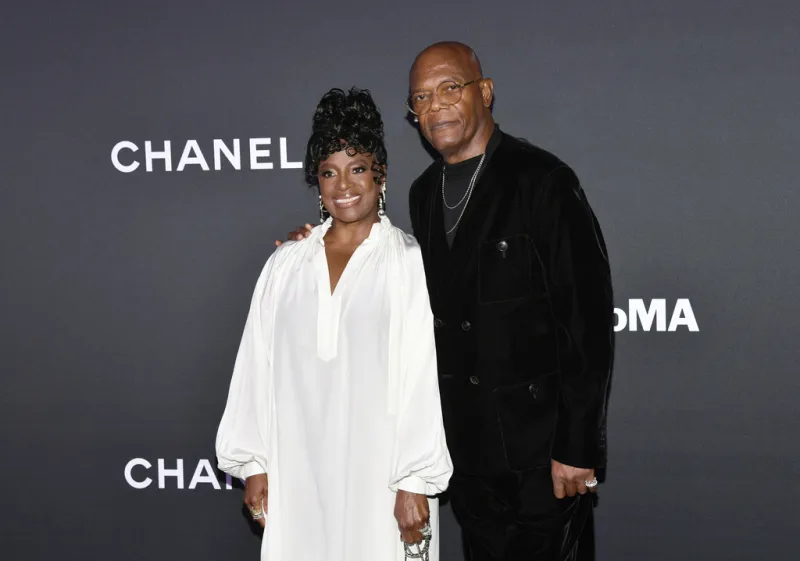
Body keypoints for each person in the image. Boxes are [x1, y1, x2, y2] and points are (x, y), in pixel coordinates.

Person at [281, 42, 614, 561]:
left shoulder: (542, 181)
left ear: (484, 92)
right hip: (468, 453)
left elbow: (587, 322)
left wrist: (577, 448)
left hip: (541, 455)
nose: (435, 106)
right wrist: (311, 243)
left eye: (449, 89)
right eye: (421, 98)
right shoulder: (422, 193)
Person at [216, 87, 453, 561]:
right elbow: (255, 365)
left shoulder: (405, 261)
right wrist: (254, 464)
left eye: (357, 168)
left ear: (380, 175)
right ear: (317, 182)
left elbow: (421, 376)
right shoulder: (285, 266)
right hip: (297, 477)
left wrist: (414, 480)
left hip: (379, 480)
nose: (343, 185)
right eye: (329, 172)